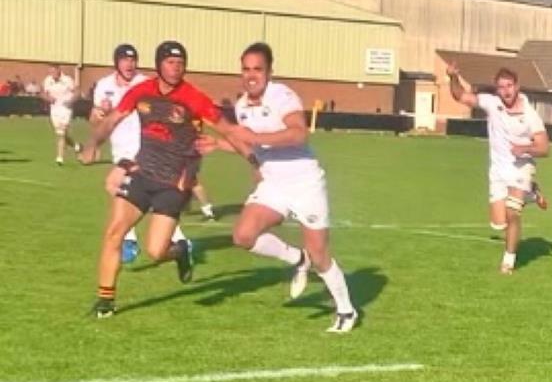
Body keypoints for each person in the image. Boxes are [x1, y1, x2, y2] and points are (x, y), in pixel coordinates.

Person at [79, 41, 248, 318]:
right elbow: (112, 119)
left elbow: (228, 129)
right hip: (142, 174)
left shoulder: (194, 97)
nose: (176, 67)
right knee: (114, 232)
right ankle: (106, 300)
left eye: (180, 62)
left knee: (156, 251)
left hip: (173, 183)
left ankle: (180, 251)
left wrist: (252, 157)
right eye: (170, 62)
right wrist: (93, 143)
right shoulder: (141, 91)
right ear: (159, 65)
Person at [198, 42, 358, 333]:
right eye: (245, 69)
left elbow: (299, 135)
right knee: (243, 235)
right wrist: (219, 144)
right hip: (274, 184)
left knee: (320, 254)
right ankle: (297, 258)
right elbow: (251, 145)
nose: (251, 75)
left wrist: (256, 138)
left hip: (305, 183)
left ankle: (346, 311)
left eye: (257, 69)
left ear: (270, 71)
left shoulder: (282, 96)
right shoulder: (242, 105)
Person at [91, 44, 196, 265]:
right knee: (129, 193)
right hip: (119, 148)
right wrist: (99, 115)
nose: (129, 64)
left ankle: (131, 240)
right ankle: (177, 239)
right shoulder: (103, 85)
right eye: (124, 60)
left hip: (142, 150)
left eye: (133, 60)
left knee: (117, 187)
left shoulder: (144, 84)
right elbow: (97, 119)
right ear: (116, 62)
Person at [446, 63, 550, 274]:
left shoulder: (530, 115)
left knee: (513, 214)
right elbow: (461, 96)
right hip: (498, 171)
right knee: (499, 223)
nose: (506, 91)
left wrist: (526, 148)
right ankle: (532, 193)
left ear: (517, 86)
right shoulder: (492, 103)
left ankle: (508, 263)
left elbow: (545, 148)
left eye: (509, 86)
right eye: (501, 87)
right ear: (497, 90)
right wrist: (453, 78)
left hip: (521, 168)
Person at [42, 64, 81, 164]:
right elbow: (43, 93)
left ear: (59, 70)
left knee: (61, 132)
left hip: (66, 109)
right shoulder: (48, 80)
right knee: (61, 133)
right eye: (50, 72)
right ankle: (76, 145)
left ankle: (60, 157)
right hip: (54, 110)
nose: (52, 74)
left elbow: (77, 93)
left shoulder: (68, 80)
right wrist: (48, 98)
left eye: (53, 71)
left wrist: (71, 101)